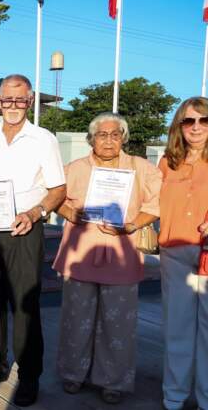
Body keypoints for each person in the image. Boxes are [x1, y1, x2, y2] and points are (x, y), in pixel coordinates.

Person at [0, 74, 66, 407]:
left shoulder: (43, 139)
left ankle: (29, 375)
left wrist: (35, 214)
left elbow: (58, 190)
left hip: (24, 230)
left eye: (20, 100)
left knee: (24, 306)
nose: (13, 106)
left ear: (30, 100)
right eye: (7, 99)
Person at [52, 112, 160, 405]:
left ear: (123, 138)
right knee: (76, 319)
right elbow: (51, 194)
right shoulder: (74, 168)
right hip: (80, 253)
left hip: (121, 254)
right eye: (102, 135)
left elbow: (157, 202)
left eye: (115, 135)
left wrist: (134, 224)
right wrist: (67, 212)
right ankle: (74, 374)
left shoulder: (141, 167)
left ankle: (113, 380)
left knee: (119, 324)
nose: (109, 140)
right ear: (92, 139)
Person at [157, 97, 208, 410]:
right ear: (180, 125)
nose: (197, 127)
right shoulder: (167, 162)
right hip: (175, 252)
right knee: (177, 327)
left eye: (204, 120)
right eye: (189, 121)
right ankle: (174, 395)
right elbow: (149, 201)